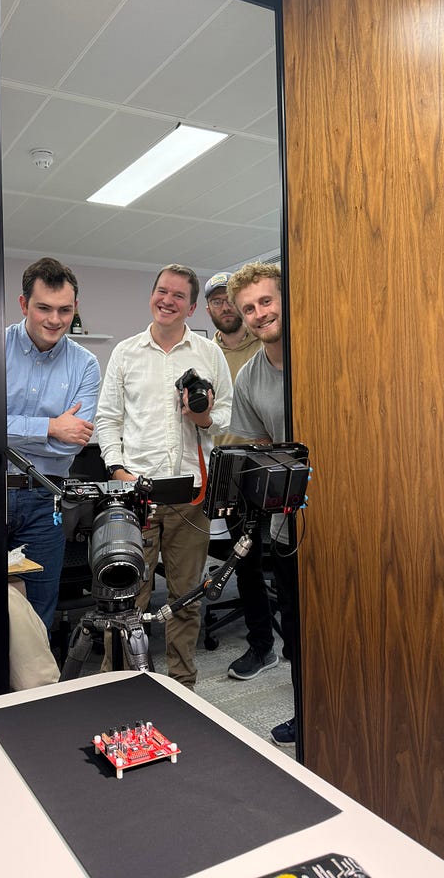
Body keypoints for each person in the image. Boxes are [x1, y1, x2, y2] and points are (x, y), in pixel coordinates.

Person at [95, 263, 233, 688]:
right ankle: (117, 683)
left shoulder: (209, 353)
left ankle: (181, 684)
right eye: (161, 291)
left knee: (186, 598)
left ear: (191, 308)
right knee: (125, 598)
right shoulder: (126, 351)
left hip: (190, 497)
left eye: (178, 296)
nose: (167, 300)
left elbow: (225, 416)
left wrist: (202, 416)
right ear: (152, 295)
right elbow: (107, 419)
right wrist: (118, 470)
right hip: (137, 494)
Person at [0, 256, 100, 632]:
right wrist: (51, 427)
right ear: (22, 305)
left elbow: (71, 446)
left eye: (65, 310)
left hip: (42, 499)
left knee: (36, 616)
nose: (55, 319)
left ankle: (30, 692)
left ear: (75, 308)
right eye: (43, 308)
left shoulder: (85, 365)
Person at [225, 260, 298, 746]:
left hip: (352, 510)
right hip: (290, 520)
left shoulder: (319, 348)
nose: (258, 314)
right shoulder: (250, 377)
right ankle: (306, 706)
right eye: (249, 308)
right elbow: (256, 449)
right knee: (295, 623)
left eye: (266, 301)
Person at [205, 271, 277, 682]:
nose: (227, 308)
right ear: (209, 309)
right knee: (244, 561)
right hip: (230, 469)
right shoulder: (201, 352)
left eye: (231, 300)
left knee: (291, 563)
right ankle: (262, 645)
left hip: (273, 460)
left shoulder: (266, 343)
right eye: (217, 301)